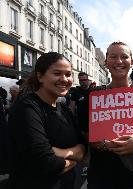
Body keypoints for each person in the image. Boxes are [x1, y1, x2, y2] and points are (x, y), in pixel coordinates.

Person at [87, 41, 133, 189]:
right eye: (113, 57)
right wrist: (109, 145)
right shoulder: (94, 95)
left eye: (124, 56)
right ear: (106, 62)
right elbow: (87, 135)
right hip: (103, 177)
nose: (119, 61)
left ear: (131, 62)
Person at [7, 52, 86, 189]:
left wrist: (57, 152)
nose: (64, 79)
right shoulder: (26, 107)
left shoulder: (64, 109)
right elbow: (45, 162)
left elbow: (83, 149)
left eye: (68, 74)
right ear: (40, 76)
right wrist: (73, 161)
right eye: (57, 73)